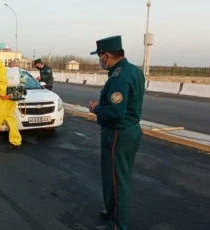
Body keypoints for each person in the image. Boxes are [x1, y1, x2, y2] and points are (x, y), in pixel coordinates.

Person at [87, 35, 145, 230]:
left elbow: (115, 112)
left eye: (100, 56)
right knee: (116, 177)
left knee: (116, 180)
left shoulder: (120, 76)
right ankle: (113, 212)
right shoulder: (133, 71)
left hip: (118, 134)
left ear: (108, 55)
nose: (100, 60)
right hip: (128, 131)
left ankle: (117, 225)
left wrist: (95, 108)